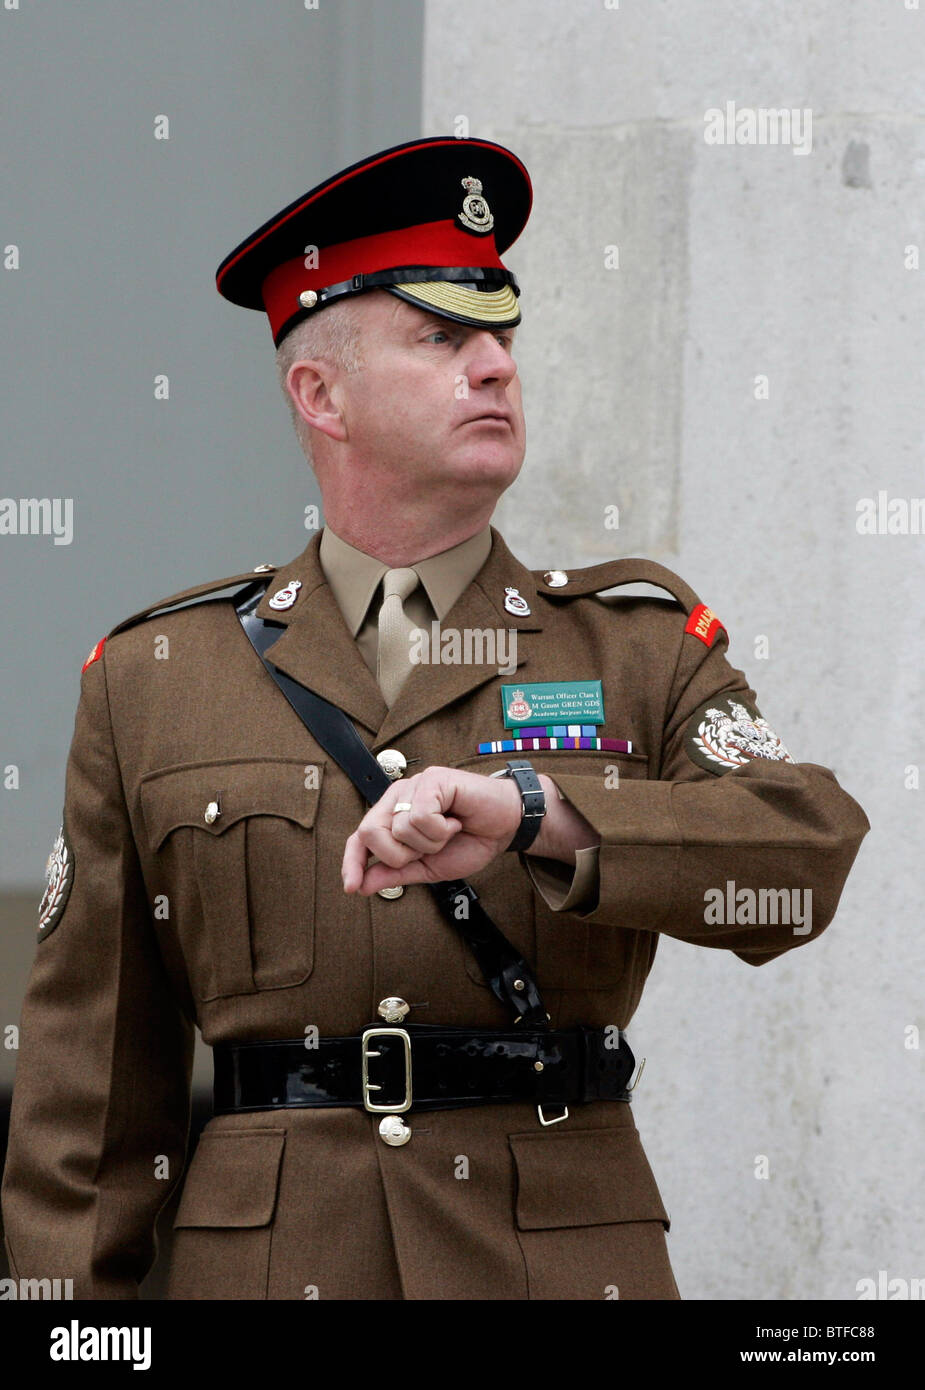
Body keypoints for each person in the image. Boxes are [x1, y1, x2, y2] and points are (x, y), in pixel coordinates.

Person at [1, 136, 869, 1300]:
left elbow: (804, 853)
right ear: (320, 393)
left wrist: (541, 812)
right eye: (441, 337)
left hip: (554, 1263)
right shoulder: (156, 678)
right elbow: (88, 1097)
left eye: (502, 334)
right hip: (273, 1268)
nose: (495, 366)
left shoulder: (633, 645)